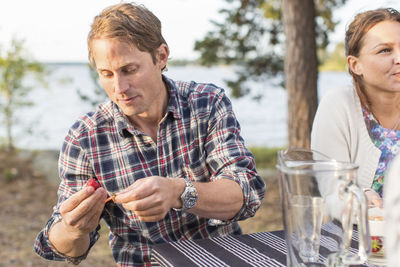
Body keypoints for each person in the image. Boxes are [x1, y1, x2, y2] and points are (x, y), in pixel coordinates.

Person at [33, 2, 266, 266]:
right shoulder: (85, 138)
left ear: (162, 56)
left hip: (221, 259)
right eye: (106, 74)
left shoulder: (207, 103)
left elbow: (247, 193)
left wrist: (179, 192)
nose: (119, 87)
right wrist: (74, 228)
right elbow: (63, 247)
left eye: (129, 70)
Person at [311, 8, 400, 208]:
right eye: (385, 50)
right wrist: (359, 196)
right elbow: (332, 191)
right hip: (357, 235)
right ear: (355, 65)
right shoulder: (338, 105)